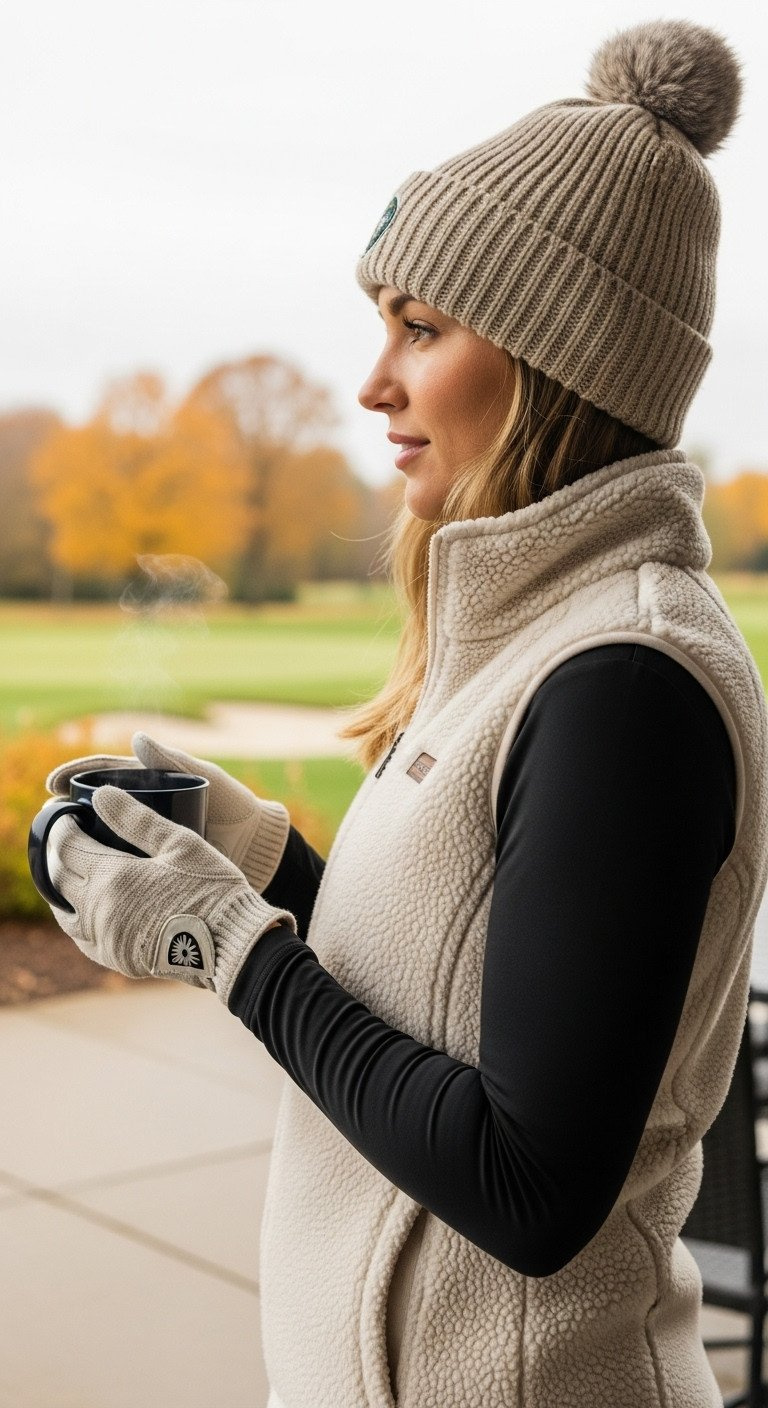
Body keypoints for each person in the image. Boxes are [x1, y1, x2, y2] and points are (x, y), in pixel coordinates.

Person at [41, 17, 768, 1408]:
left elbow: (528, 1181)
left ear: (566, 362)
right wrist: (265, 870)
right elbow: (467, 1014)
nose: (373, 382)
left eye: (420, 328)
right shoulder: (530, 632)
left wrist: (226, 943)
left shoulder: (627, 682)